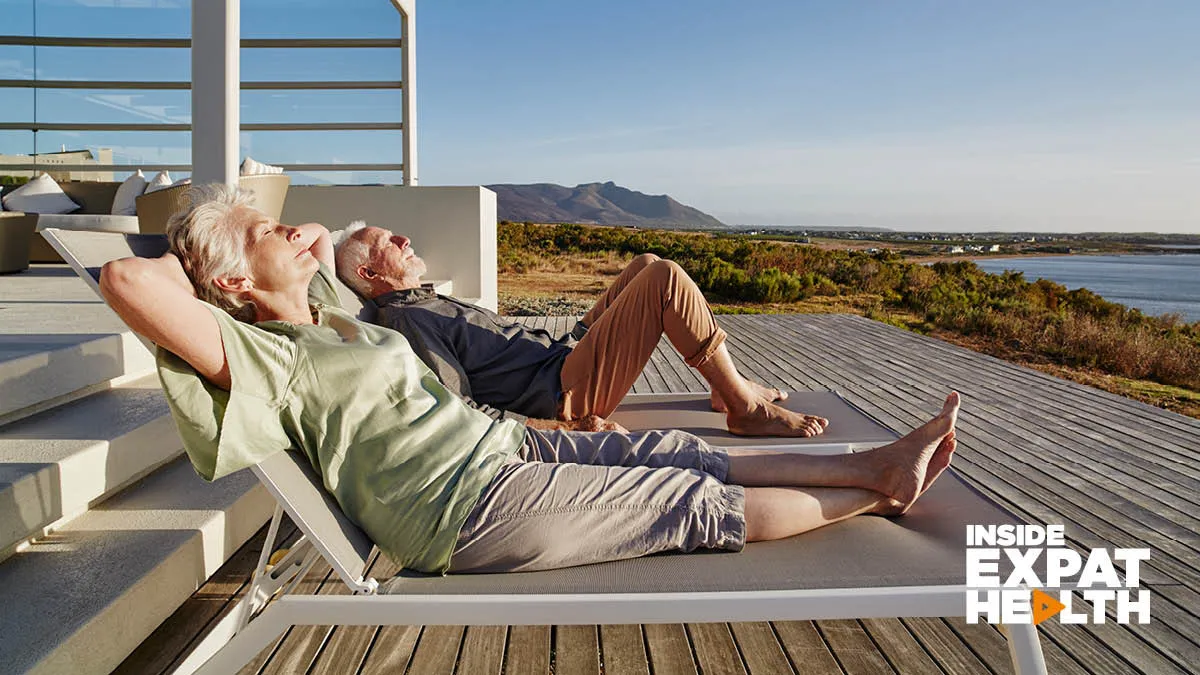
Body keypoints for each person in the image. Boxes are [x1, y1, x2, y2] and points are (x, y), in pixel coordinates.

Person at [100, 184, 961, 575]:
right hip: (460, 508)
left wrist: (259, 239)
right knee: (681, 499)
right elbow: (127, 282)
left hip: (500, 447)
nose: (292, 229)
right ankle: (878, 486)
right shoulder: (267, 355)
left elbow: (325, 238)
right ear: (232, 287)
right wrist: (203, 256)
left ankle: (870, 455)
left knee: (675, 450)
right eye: (267, 233)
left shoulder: (331, 315)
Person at [335, 224, 830, 437]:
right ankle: (742, 408)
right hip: (562, 390)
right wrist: (567, 429)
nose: (403, 239)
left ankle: (727, 387)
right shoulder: (409, 321)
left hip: (559, 354)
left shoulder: (421, 300)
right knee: (665, 280)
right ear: (370, 276)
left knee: (646, 263)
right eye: (387, 243)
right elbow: (458, 411)